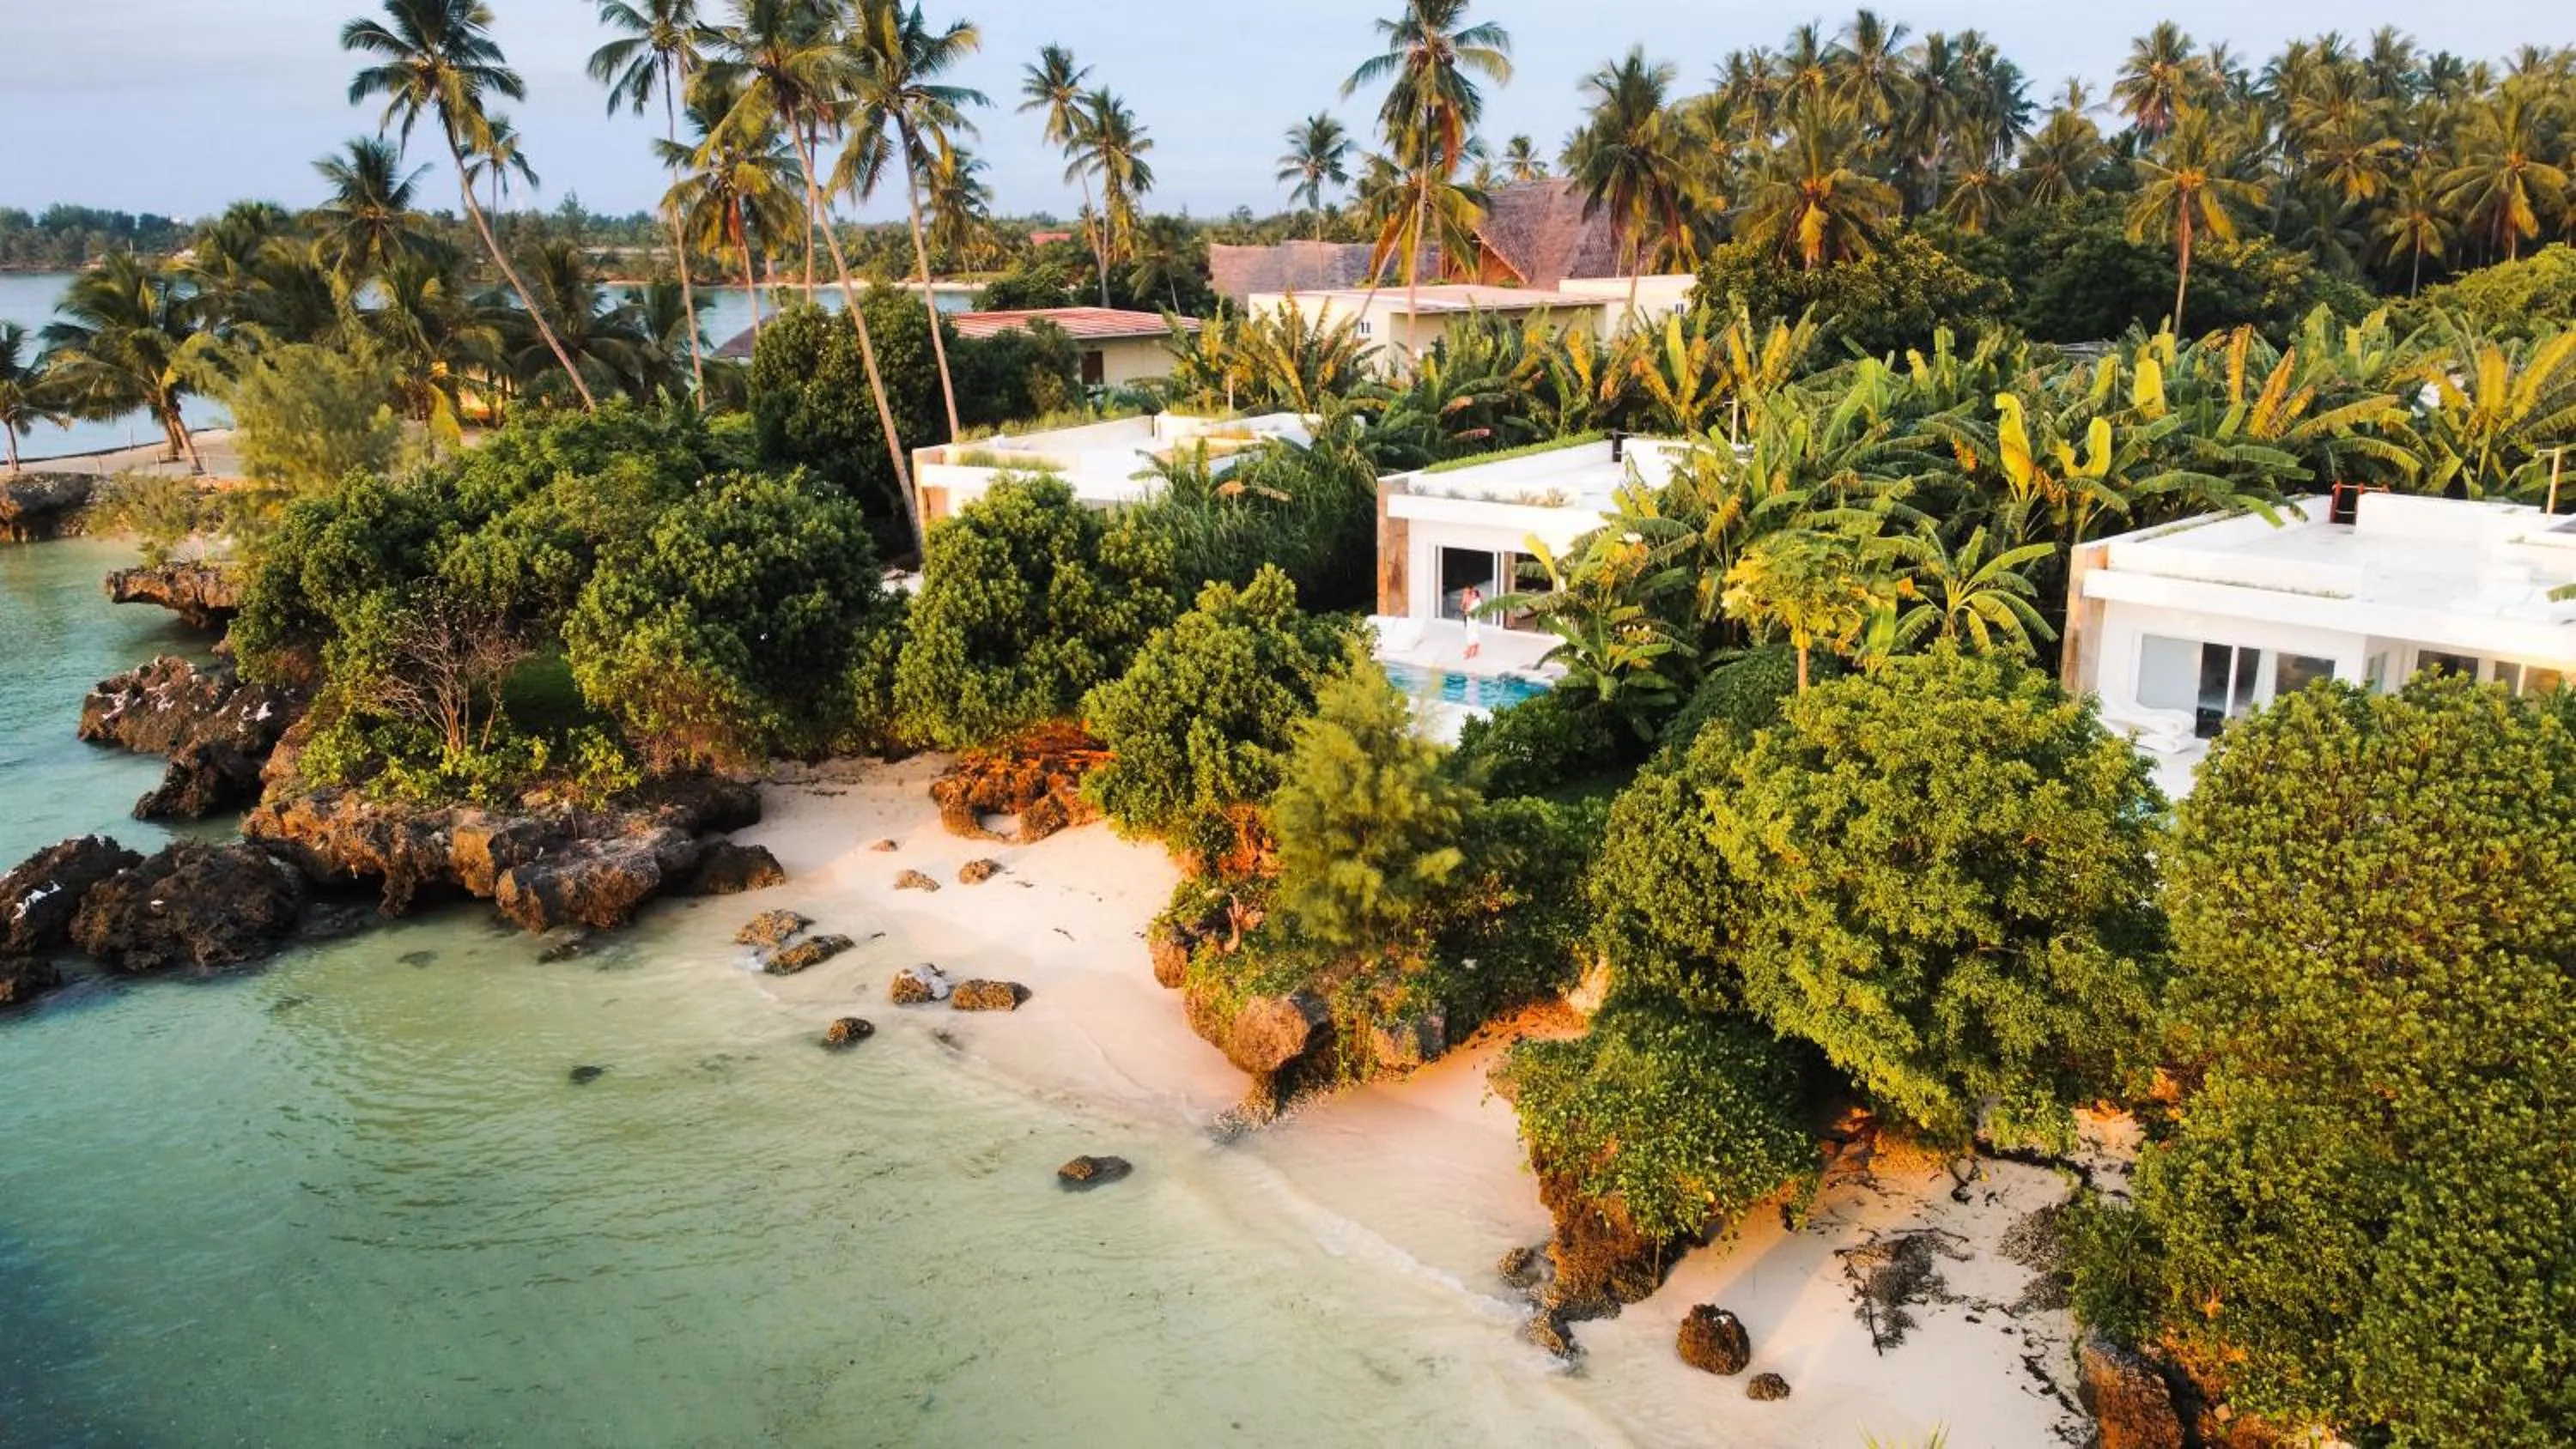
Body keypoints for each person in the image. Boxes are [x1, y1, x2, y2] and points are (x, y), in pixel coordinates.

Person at [1459, 583, 1483, 659]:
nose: (1465, 592)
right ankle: (1473, 649)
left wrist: (1467, 611)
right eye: (1464, 591)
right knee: (1469, 632)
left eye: (1466, 590)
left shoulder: (1476, 599)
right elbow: (1462, 606)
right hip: (1468, 618)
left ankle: (1471, 650)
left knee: (1471, 633)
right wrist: (1464, 608)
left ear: (1470, 590)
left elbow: (1476, 609)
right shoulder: (1466, 596)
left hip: (1472, 619)